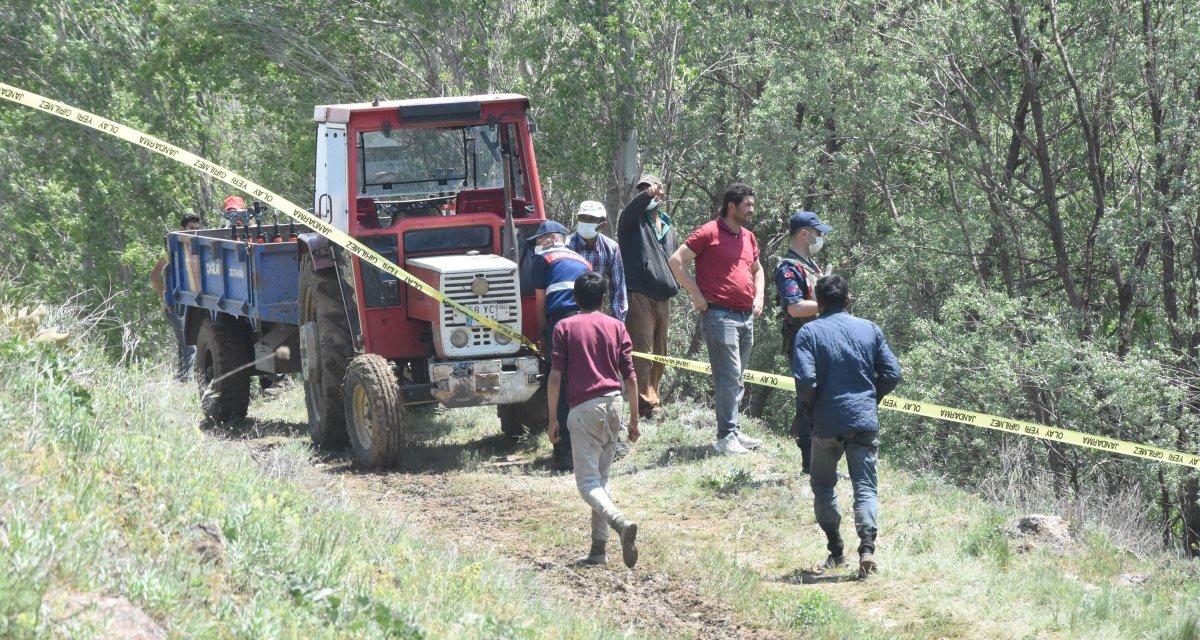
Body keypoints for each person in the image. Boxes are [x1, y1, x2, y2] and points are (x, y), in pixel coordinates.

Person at [793, 275, 901, 578]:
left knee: (822, 486)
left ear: (819, 303)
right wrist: (870, 398)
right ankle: (867, 547)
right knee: (865, 487)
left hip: (826, 423)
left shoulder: (809, 333)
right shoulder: (869, 329)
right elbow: (892, 373)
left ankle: (836, 552)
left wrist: (810, 409)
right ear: (848, 300)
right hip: (863, 421)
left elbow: (805, 381)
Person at [547, 272, 640, 568]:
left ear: (575, 298)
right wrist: (635, 420)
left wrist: (552, 419)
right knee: (601, 481)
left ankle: (619, 522)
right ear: (603, 298)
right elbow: (631, 376)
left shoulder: (565, 326)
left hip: (584, 408)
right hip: (614, 404)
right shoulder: (616, 326)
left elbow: (555, 377)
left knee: (587, 484)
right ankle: (598, 550)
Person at [668, 183, 765, 456]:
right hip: (719, 315)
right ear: (731, 207)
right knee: (728, 376)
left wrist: (759, 297)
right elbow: (676, 261)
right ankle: (725, 437)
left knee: (738, 377)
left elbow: (758, 270)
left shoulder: (749, 237)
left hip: (746, 316)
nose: (752, 210)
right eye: (748, 205)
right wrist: (695, 294)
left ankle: (732, 431)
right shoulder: (709, 231)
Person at [530, 219, 594, 471]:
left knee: (560, 383)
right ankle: (611, 442)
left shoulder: (542, 260)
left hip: (563, 325)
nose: (539, 244)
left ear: (550, 239)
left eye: (538, 240)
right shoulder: (583, 260)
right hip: (590, 322)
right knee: (592, 381)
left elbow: (539, 303)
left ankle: (564, 453)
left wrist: (543, 334)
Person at [617, 174, 679, 419]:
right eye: (643, 189)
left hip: (664, 297)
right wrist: (646, 195)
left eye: (652, 188)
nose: (648, 192)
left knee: (660, 354)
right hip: (639, 294)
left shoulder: (668, 225)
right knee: (642, 352)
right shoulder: (631, 222)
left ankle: (654, 399)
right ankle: (645, 405)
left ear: (662, 195)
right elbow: (630, 210)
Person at [774, 211, 831, 473]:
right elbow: (795, 308)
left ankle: (822, 463)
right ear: (803, 234)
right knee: (807, 399)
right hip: (802, 342)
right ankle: (809, 465)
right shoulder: (788, 267)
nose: (820, 238)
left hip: (821, 340)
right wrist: (828, 304)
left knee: (822, 401)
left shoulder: (811, 266)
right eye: (817, 233)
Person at [150, 213, 202, 381]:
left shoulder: (191, 247)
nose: (194, 232)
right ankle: (187, 381)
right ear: (183, 228)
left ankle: (181, 379)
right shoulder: (172, 250)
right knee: (190, 346)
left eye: (196, 229)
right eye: (191, 228)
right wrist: (164, 296)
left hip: (187, 305)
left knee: (184, 344)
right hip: (174, 306)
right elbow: (155, 275)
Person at [567, 200, 628, 321]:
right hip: (570, 315)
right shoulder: (567, 246)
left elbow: (618, 288)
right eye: (582, 218)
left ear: (602, 224)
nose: (585, 222)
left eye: (591, 219)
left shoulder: (611, 248)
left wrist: (619, 323)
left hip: (597, 315)